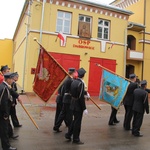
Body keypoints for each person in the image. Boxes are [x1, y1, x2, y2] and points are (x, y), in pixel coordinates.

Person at [65, 68, 88, 144]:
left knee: (75, 121)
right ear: (83, 76)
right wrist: (84, 108)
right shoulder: (81, 83)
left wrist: (85, 93)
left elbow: (74, 91)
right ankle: (76, 139)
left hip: (72, 103)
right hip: (78, 105)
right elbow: (81, 97)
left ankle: (68, 134)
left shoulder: (74, 81)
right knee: (77, 123)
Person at [53, 68, 76, 132]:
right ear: (73, 73)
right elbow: (66, 90)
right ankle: (70, 130)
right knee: (68, 114)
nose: (75, 74)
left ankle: (57, 126)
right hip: (64, 99)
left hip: (63, 99)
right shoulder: (69, 80)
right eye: (74, 72)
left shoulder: (66, 80)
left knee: (63, 113)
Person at [0, 73, 18, 150]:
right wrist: (5, 114)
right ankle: (6, 147)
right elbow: (3, 102)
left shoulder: (4, 86)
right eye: (11, 79)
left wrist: (18, 96)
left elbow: (11, 91)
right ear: (7, 79)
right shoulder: (4, 88)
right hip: (2, 113)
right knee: (4, 130)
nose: (12, 80)